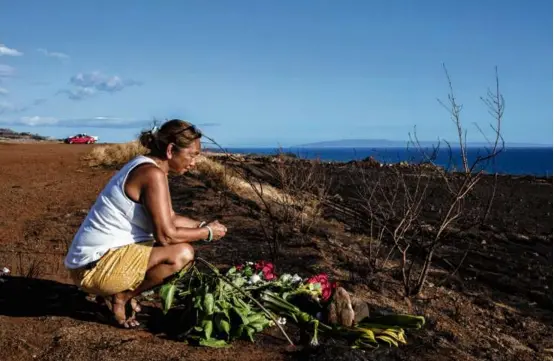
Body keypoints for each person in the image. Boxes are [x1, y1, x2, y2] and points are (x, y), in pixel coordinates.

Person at [64, 119, 227, 328]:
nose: (194, 162)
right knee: (182, 253)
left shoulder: (144, 165)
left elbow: (169, 217)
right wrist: (207, 233)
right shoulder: (152, 174)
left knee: (176, 241)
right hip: (93, 270)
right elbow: (166, 235)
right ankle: (121, 297)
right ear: (170, 150)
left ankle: (116, 292)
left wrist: (202, 225)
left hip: (88, 263)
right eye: (192, 155)